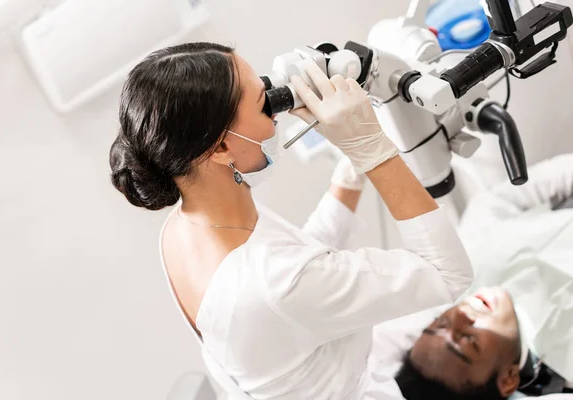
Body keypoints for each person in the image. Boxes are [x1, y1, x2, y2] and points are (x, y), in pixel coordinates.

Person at [108, 42, 473, 399]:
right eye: (264, 104)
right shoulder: (275, 282)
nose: (277, 112)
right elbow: (448, 274)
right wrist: (371, 149)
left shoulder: (188, 222)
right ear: (220, 148)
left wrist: (350, 172)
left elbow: (297, 268)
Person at [366, 154, 573, 400]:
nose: (461, 315)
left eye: (440, 323)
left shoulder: (471, 255)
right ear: (508, 380)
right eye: (470, 341)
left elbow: (522, 191)